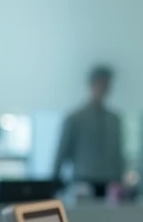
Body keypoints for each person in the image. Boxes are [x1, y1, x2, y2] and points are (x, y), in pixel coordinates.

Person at [53, 65, 124, 198]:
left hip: (110, 184)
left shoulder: (114, 120)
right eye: (101, 83)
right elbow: (62, 152)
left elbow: (118, 153)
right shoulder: (75, 118)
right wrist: (53, 184)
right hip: (83, 182)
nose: (104, 88)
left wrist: (121, 181)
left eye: (107, 84)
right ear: (92, 84)